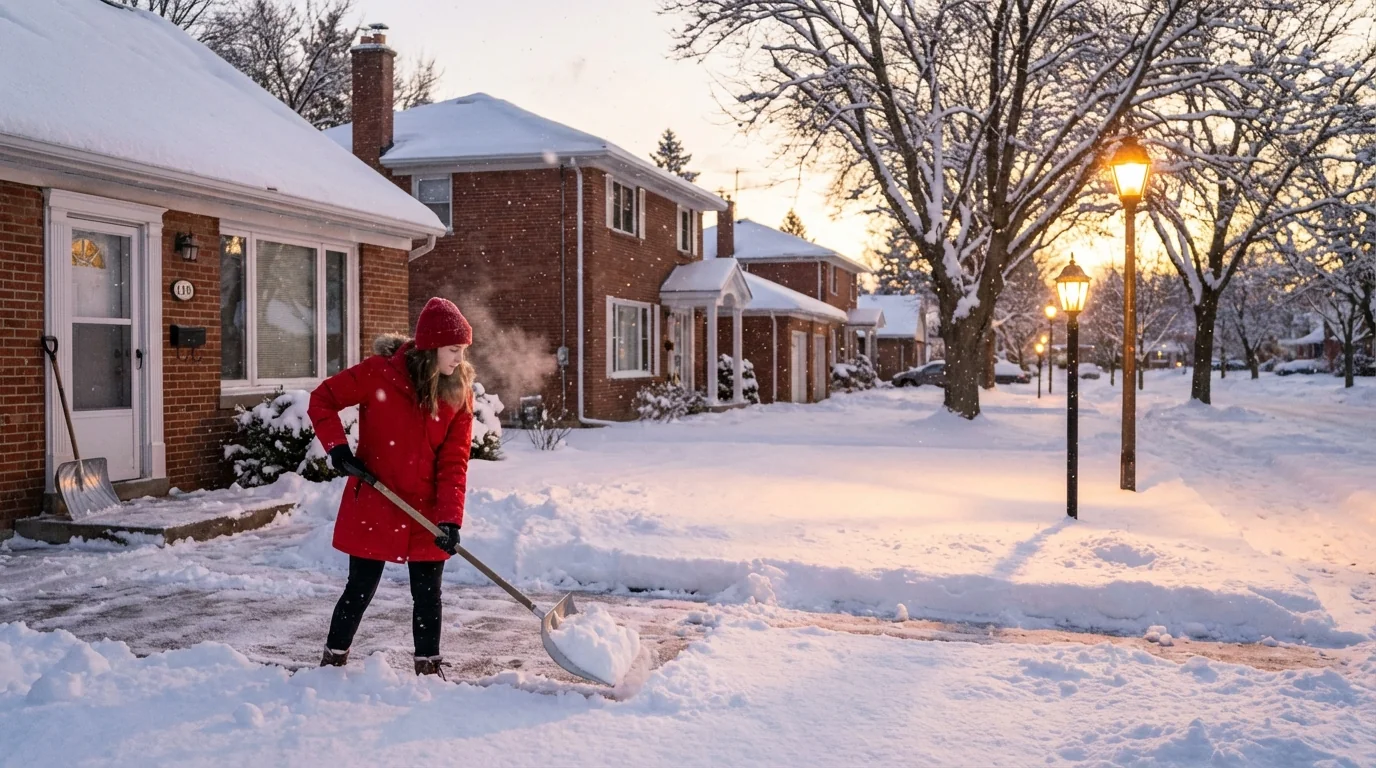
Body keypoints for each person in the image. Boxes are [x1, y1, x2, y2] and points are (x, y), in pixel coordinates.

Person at [307, 297, 475, 678]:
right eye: (453, 349)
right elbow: (323, 400)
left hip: (426, 510)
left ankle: (428, 673)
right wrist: (338, 449)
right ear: (432, 346)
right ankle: (331, 664)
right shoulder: (378, 374)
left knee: (428, 595)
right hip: (376, 499)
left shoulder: (458, 392)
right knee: (360, 588)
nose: (459, 358)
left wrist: (450, 519)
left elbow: (454, 463)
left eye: (462, 350)